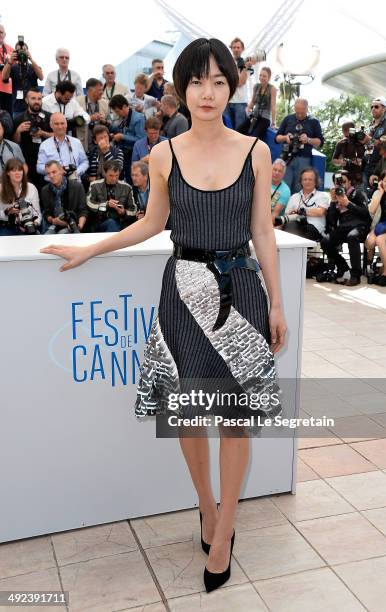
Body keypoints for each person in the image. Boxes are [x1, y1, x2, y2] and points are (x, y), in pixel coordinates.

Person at [40, 37, 286, 594]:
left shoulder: (256, 152)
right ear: (181, 87)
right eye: (197, 81)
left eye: (219, 81)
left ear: (233, 87)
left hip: (240, 296)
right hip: (182, 292)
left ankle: (224, 531)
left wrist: (275, 300)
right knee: (189, 414)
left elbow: (263, 233)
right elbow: (151, 223)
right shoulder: (164, 155)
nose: (208, 92)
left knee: (235, 419)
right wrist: (89, 248)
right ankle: (205, 505)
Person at [321, 170, 370, 286]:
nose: (341, 185)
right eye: (337, 183)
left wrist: (348, 203)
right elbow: (332, 220)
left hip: (359, 226)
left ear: (349, 182)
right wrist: (333, 202)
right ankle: (342, 265)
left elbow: (365, 213)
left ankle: (355, 275)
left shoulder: (358, 193)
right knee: (325, 242)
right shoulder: (336, 197)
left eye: (343, 181)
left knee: (352, 237)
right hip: (343, 227)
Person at [275, 98, 323, 193]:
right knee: (284, 187)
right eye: (297, 112)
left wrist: (308, 139)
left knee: (299, 188)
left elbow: (320, 142)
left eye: (302, 112)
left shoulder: (314, 121)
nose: (300, 115)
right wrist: (285, 137)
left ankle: (296, 208)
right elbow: (277, 138)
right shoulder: (288, 119)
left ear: (307, 109)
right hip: (286, 157)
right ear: (294, 108)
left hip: (304, 159)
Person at [13, 88, 53, 191]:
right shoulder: (19, 118)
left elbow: (58, 136)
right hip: (27, 161)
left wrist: (43, 133)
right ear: (26, 100)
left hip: (47, 159)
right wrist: (18, 131)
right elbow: (14, 143)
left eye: (39, 99)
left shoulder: (49, 117)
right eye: (33, 98)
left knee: (46, 191)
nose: (37, 101)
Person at [274, 167, 329, 241]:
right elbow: (286, 216)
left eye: (310, 179)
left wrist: (301, 212)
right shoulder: (294, 197)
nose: (307, 182)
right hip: (294, 226)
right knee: (286, 227)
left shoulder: (322, 195)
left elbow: (320, 212)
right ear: (301, 182)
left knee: (292, 229)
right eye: (305, 179)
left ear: (315, 181)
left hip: (313, 229)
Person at [86, 159, 136, 231]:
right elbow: (89, 204)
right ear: (105, 173)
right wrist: (106, 205)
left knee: (114, 224)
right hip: (100, 223)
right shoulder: (95, 185)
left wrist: (124, 212)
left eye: (116, 175)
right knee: (111, 223)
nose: (114, 178)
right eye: (111, 175)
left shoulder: (127, 187)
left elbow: (133, 210)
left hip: (120, 223)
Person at [37, 113, 89, 181]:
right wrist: (55, 171)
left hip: (75, 183)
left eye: (62, 123)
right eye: (56, 124)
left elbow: (85, 162)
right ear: (51, 125)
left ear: (66, 124)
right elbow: (39, 167)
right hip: (54, 184)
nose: (60, 127)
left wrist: (76, 172)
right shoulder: (44, 145)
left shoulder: (76, 142)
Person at [41, 160, 88, 234]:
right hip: (55, 225)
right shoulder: (45, 190)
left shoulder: (77, 186)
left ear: (61, 171)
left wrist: (79, 225)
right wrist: (53, 220)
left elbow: (83, 210)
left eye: (54, 172)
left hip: (73, 224)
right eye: (48, 173)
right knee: (47, 235)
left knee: (62, 234)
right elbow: (47, 213)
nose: (51, 176)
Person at [1, 39, 43, 116]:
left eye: (24, 50)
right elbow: (4, 77)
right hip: (17, 106)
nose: (21, 52)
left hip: (33, 106)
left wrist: (31, 59)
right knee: (17, 127)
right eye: (18, 50)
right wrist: (10, 61)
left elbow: (41, 77)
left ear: (28, 51)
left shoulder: (33, 66)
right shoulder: (13, 67)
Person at [109, 94, 145, 182]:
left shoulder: (138, 118)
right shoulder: (123, 117)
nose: (117, 114)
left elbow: (140, 138)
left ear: (125, 106)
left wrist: (122, 136)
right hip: (122, 153)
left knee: (132, 180)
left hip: (133, 155)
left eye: (117, 111)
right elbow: (120, 129)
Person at [0, 158, 41, 236]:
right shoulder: (1, 189)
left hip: (27, 226)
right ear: (8, 173)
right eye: (14, 170)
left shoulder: (31, 187)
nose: (17, 173)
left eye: (20, 170)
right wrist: (7, 212)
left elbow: (38, 213)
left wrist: (34, 224)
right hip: (7, 227)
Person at [362, 96, 386, 186]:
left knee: (378, 194)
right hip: (366, 165)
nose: (373, 109)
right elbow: (366, 144)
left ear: (385, 108)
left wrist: (369, 140)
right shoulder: (370, 124)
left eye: (376, 107)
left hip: (379, 167)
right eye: (372, 107)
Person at [238, 67, 277, 137]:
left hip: (265, 118)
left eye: (264, 76)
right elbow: (253, 102)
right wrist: (247, 109)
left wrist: (273, 123)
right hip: (254, 115)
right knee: (239, 130)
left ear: (269, 78)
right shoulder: (256, 86)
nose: (261, 78)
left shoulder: (272, 89)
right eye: (260, 75)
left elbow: (273, 107)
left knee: (255, 136)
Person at [224, 38, 251, 130]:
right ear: (231, 48)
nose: (236, 49)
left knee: (239, 132)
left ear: (242, 49)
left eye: (238, 47)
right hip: (227, 101)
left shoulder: (246, 63)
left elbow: (241, 82)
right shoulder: (226, 63)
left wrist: (245, 67)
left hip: (240, 102)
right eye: (234, 47)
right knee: (227, 130)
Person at [76, 78, 109, 152]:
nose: (101, 92)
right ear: (89, 91)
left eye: (102, 90)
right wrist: (90, 118)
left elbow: (109, 122)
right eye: (99, 90)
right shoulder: (77, 102)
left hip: (101, 143)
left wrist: (104, 121)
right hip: (83, 142)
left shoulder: (105, 104)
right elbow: (74, 122)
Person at [0, 116, 26, 180]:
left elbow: (24, 166)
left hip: (13, 184)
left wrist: (20, 180)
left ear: (3, 130)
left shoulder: (14, 146)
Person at [0, 25, 14, 114]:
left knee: (8, 120)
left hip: (8, 90)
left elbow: (15, 68)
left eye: (1, 32)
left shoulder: (10, 49)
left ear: (5, 35)